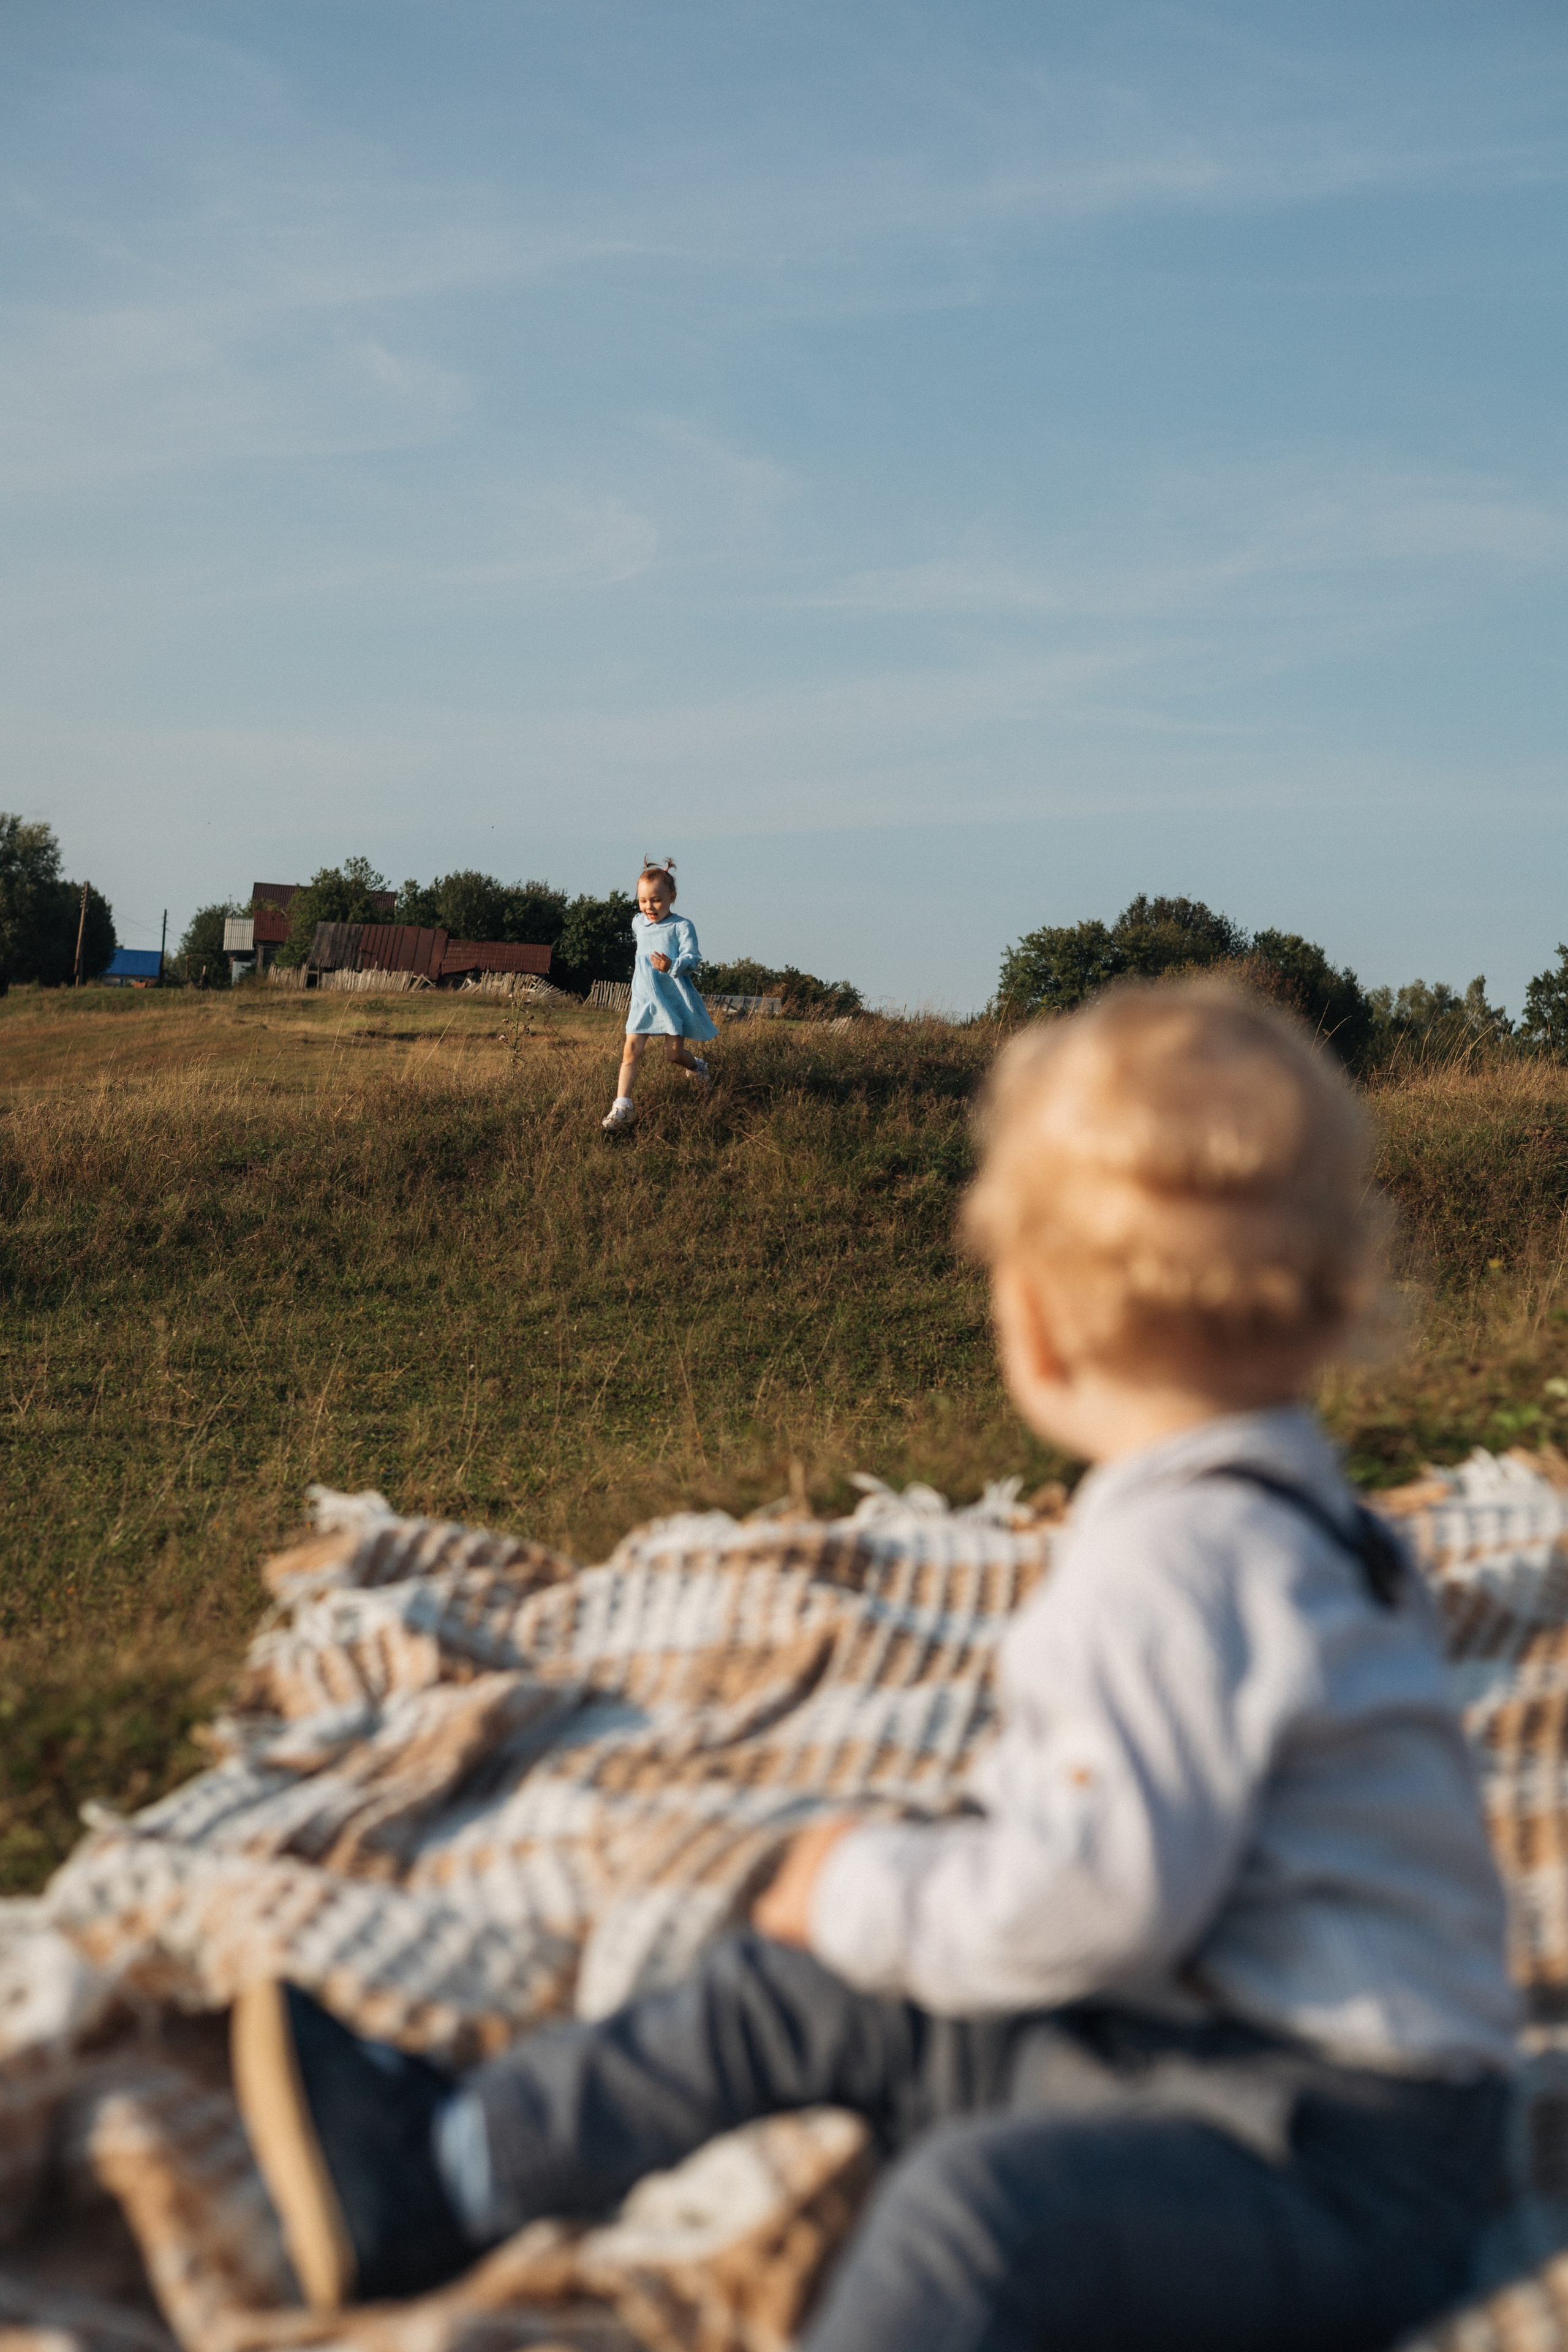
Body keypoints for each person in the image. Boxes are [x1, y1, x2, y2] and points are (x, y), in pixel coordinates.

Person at [231, 980, 1519, 2350]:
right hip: (1222, 2056)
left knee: (977, 2213)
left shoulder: (1174, 1563)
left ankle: (467, 2164)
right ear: (1330, 1307)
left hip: (1332, 2166)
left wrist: (858, 1882)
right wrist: (890, 1900)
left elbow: (1095, 1905)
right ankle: (458, 2167)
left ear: (1031, 1320)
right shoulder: (1302, 1516)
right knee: (824, 1985)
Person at [600, 859, 717, 1131]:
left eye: (656, 900)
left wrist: (673, 965)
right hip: (643, 997)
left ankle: (698, 1067)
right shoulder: (638, 923)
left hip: (671, 998)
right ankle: (623, 1107)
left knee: (674, 1055)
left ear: (671, 898)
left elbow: (693, 957)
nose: (649, 907)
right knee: (630, 1051)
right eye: (643, 901)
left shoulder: (682, 926)